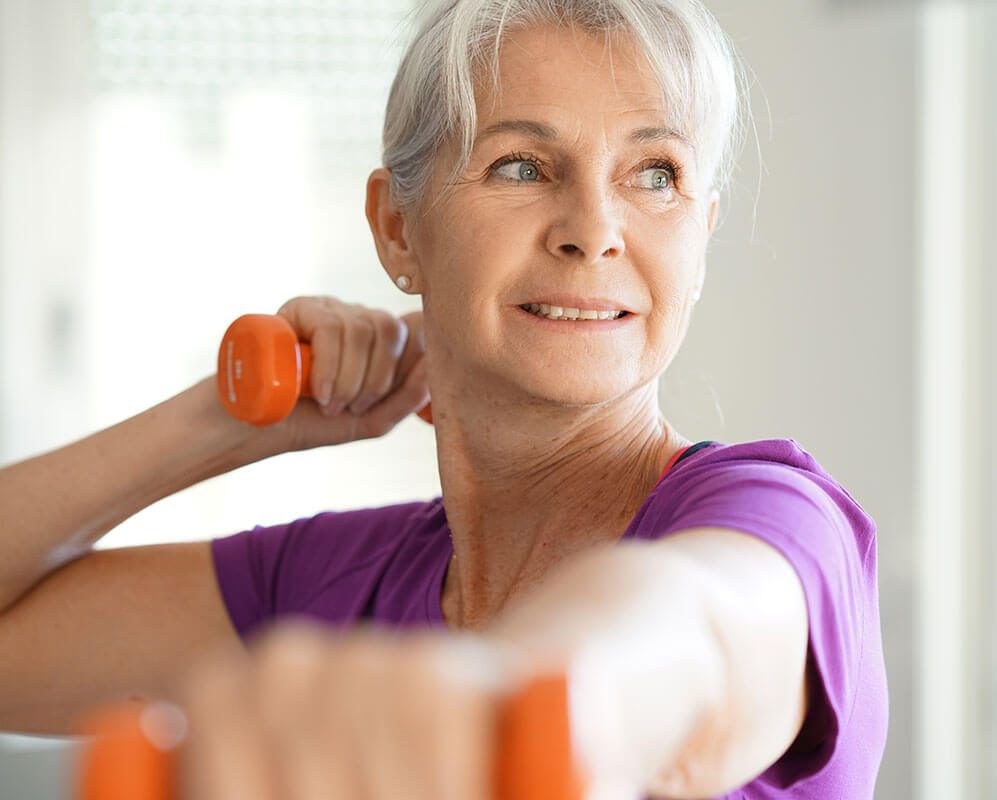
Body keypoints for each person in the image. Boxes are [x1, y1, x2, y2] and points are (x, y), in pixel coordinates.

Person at [0, 0, 888, 797]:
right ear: (397, 228)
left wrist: (503, 704)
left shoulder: (773, 518)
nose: (593, 231)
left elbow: (689, 638)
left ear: (700, 235)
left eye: (653, 172)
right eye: (520, 166)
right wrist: (224, 420)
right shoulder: (333, 588)